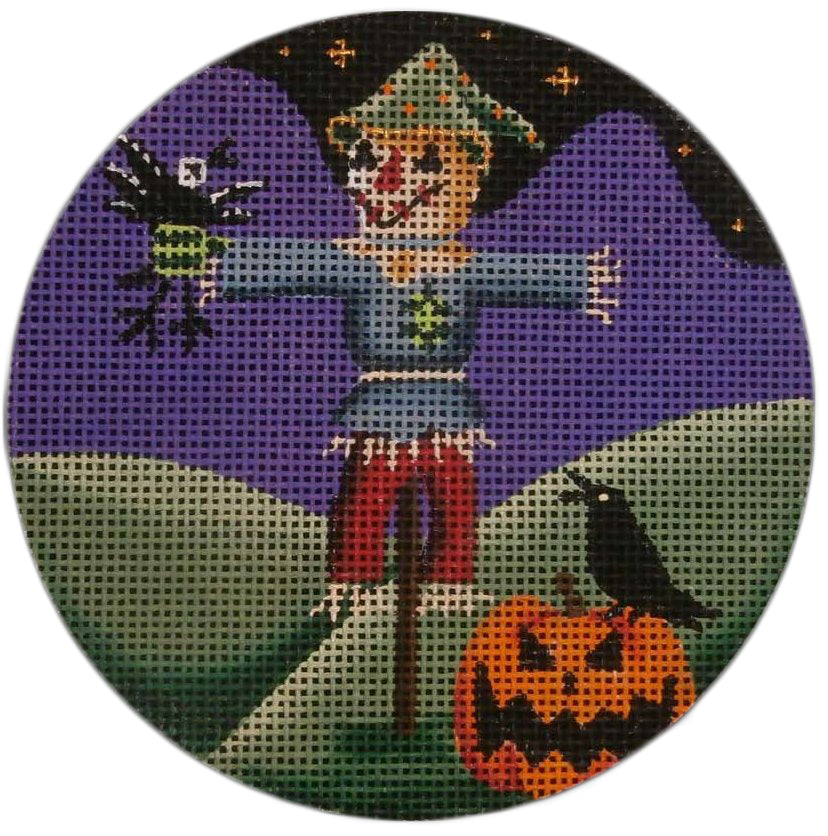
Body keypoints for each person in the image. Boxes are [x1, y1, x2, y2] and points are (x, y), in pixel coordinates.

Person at [196, 42, 619, 618]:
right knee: (368, 495)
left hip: (448, 406)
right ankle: (355, 582)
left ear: (467, 183)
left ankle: (448, 582)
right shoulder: (357, 260)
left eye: (425, 165)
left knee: (454, 496)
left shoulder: (463, 266)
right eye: (370, 159)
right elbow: (293, 262)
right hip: (380, 404)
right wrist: (218, 260)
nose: (388, 180)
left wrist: (583, 279)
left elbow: (522, 273)